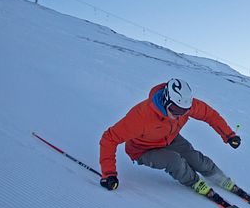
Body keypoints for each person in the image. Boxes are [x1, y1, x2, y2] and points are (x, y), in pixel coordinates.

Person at [98, 78, 242, 200]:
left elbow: (209, 115)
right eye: (175, 110)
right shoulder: (141, 116)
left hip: (170, 138)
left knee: (195, 158)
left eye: (183, 111)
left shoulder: (185, 105)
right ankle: (193, 182)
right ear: (166, 100)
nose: (179, 115)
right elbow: (109, 139)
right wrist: (108, 173)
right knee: (174, 161)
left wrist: (229, 135)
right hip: (143, 149)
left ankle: (218, 177)